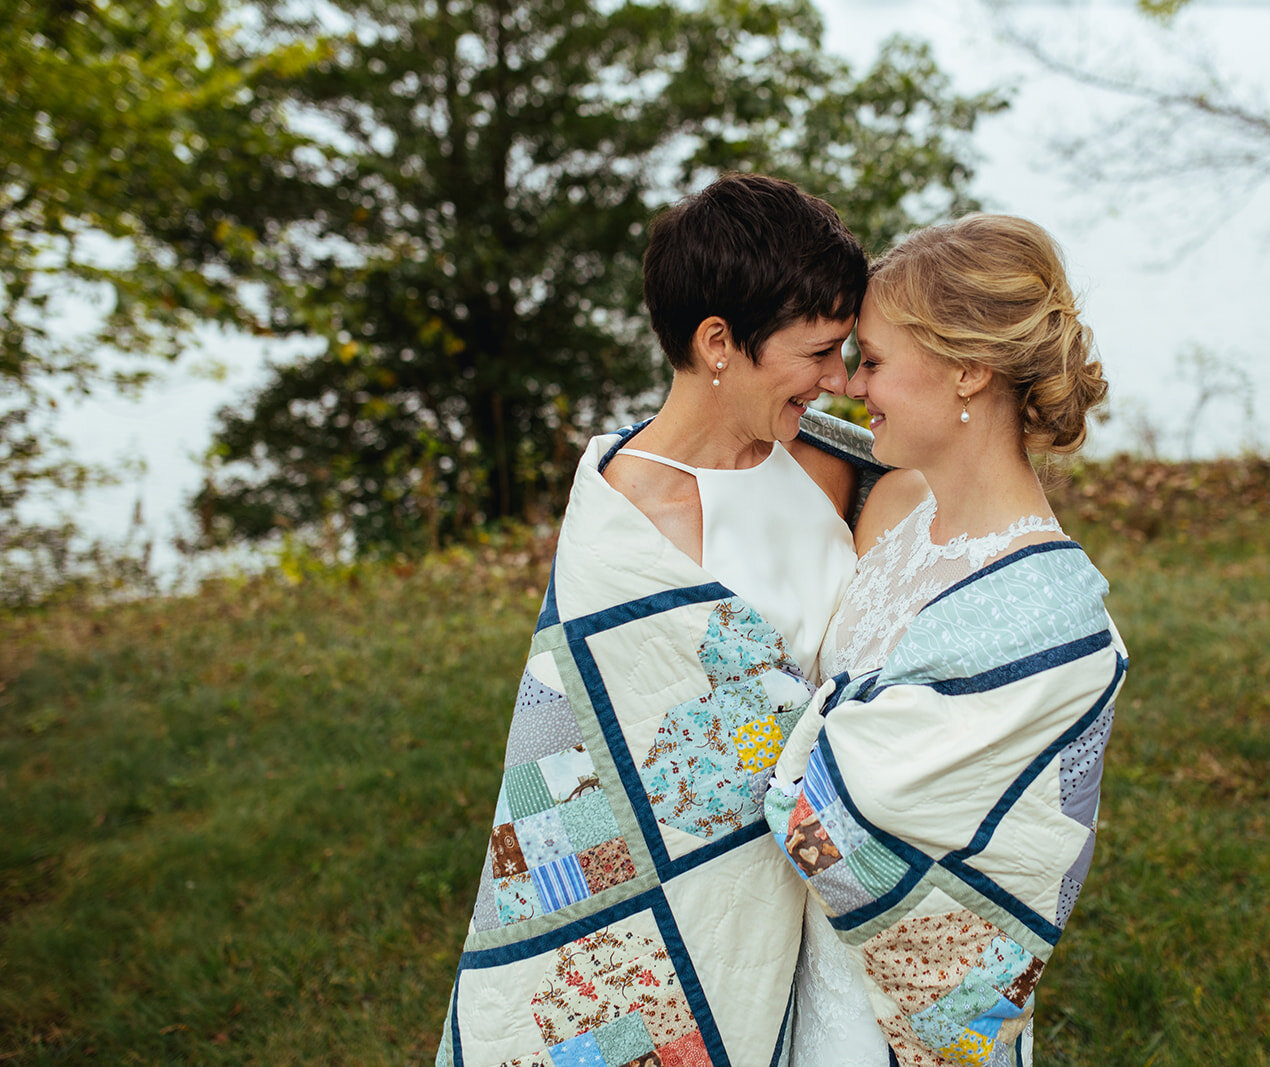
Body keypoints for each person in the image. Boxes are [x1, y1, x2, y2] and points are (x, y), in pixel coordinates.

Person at [434, 173, 885, 1067]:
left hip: (844, 869)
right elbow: (593, 751)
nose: (841, 381)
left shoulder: (829, 467)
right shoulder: (631, 526)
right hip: (722, 888)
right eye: (819, 351)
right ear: (719, 341)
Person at [767, 214, 1128, 1067]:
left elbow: (866, 810)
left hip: (909, 1006)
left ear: (969, 368)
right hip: (808, 970)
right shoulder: (892, 510)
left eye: (877, 360)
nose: (854, 387)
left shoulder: (1052, 619)